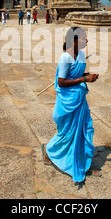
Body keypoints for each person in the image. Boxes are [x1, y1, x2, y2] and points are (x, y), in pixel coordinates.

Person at [42, 27, 100, 184]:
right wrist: (83, 80)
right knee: (67, 132)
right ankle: (49, 150)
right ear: (73, 41)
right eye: (83, 39)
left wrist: (87, 75)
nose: (86, 41)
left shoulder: (80, 54)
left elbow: (76, 74)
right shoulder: (65, 58)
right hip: (68, 101)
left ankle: (80, 161)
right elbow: (61, 82)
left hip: (79, 99)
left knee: (84, 129)